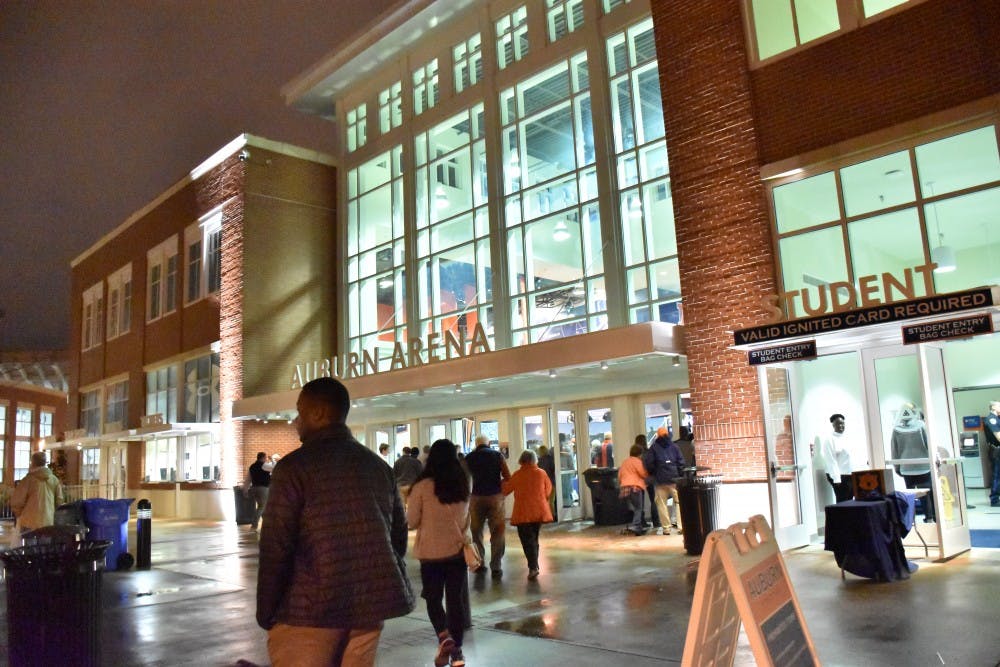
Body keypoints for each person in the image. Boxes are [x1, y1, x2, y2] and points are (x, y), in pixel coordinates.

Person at [256, 377, 413, 667]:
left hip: (307, 612)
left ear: (317, 414)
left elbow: (276, 546)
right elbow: (397, 538)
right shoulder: (377, 466)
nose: (295, 422)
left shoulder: (293, 468)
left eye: (300, 413)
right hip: (368, 610)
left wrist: (266, 609)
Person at [406, 439, 471, 667]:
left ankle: (444, 637)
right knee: (455, 601)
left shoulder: (422, 486)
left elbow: (412, 521)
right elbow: (465, 519)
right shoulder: (462, 484)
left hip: (431, 554)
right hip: (456, 552)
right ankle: (457, 652)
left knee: (433, 598)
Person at [464, 434, 511, 578]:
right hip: (495, 497)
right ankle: (496, 565)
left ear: (476, 444)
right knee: (498, 531)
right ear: (488, 443)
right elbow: (508, 476)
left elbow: (463, 478)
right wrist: (500, 488)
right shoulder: (497, 456)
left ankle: (480, 562)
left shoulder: (469, 458)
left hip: (475, 498)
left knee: (476, 531)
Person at [502, 449, 553, 580]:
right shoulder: (541, 473)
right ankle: (534, 565)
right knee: (534, 538)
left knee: (527, 540)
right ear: (535, 459)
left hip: (522, 512)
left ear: (521, 460)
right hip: (539, 510)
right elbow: (548, 490)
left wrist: (500, 482)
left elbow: (506, 490)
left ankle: (533, 567)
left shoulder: (517, 475)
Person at [11, 451, 64, 540]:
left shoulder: (28, 480)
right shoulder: (54, 480)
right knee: (44, 550)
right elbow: (59, 500)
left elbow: (17, 502)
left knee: (31, 551)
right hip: (48, 522)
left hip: (29, 522)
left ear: (33, 463)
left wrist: (20, 515)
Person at [644, 427, 685, 535]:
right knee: (679, 503)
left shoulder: (653, 448)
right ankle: (681, 527)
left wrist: (654, 473)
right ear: (668, 434)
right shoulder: (675, 447)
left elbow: (649, 464)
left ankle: (666, 528)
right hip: (674, 480)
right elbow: (681, 462)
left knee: (662, 504)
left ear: (657, 435)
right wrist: (680, 475)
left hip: (660, 481)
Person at [618, 444, 648, 535]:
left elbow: (619, 476)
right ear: (640, 454)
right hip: (634, 487)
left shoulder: (625, 462)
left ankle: (632, 526)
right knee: (638, 508)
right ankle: (636, 526)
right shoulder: (637, 461)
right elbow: (643, 473)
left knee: (632, 508)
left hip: (624, 488)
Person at [635, 434, 659, 530]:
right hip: (649, 478)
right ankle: (656, 521)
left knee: (640, 502)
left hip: (639, 479)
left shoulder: (635, 454)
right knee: (653, 500)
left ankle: (642, 521)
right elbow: (652, 465)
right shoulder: (649, 452)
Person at [246, 452, 272, 531]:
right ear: (263, 458)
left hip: (254, 488)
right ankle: (254, 526)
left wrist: (245, 489)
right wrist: (272, 460)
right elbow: (275, 467)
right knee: (262, 507)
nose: (266, 459)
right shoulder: (264, 465)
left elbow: (248, 479)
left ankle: (266, 525)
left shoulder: (252, 466)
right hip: (263, 488)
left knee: (262, 506)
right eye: (265, 458)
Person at [982, 401, 1000, 507]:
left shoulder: (997, 418)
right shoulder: (991, 419)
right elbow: (999, 437)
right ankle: (994, 499)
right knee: (997, 476)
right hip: (996, 451)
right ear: (993, 407)